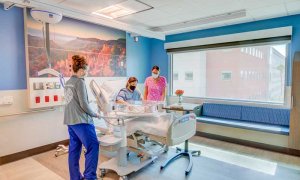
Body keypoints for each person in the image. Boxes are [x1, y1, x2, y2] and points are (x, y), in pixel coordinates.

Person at [64, 55, 100, 180]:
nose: (86, 73)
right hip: (82, 121)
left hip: (70, 121)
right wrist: (94, 114)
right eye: (86, 70)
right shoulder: (79, 81)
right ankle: (90, 177)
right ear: (81, 69)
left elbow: (72, 102)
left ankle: (75, 177)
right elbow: (84, 104)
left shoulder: (68, 83)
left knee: (74, 150)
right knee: (93, 146)